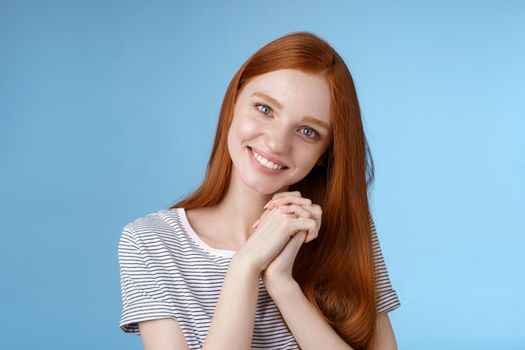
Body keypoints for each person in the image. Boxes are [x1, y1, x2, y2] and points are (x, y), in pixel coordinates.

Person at [118, 31, 401, 349]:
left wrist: (283, 285)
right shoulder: (149, 242)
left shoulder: (346, 234)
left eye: (308, 131)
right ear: (233, 104)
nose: (277, 143)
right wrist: (245, 266)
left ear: (325, 154)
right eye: (265, 109)